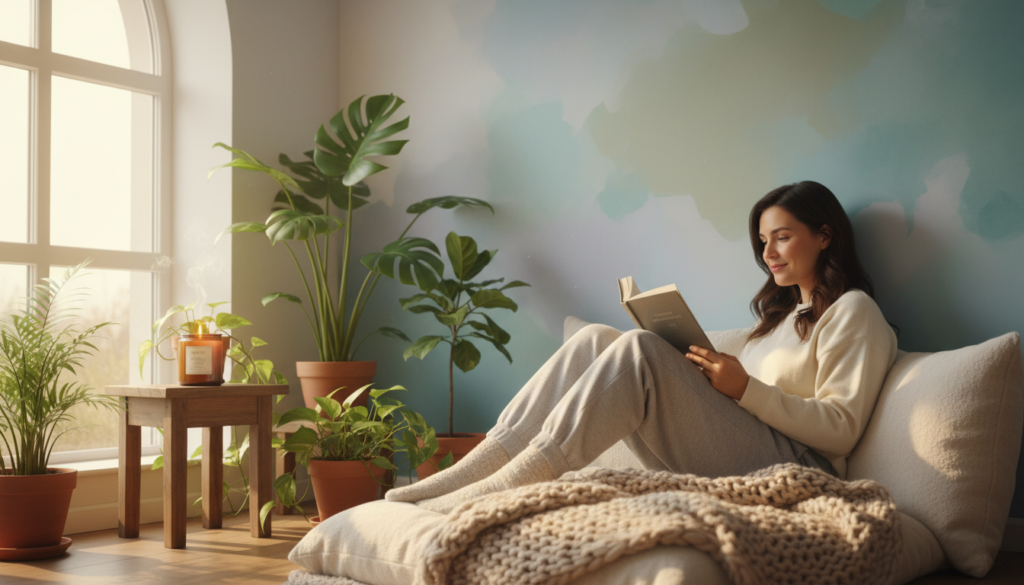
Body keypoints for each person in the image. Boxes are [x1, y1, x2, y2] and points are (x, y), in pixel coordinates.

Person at [386, 181, 898, 514]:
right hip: (748, 446)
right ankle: (458, 478)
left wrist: (745, 389)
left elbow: (843, 430)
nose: (767, 253)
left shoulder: (853, 311)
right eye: (763, 241)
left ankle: (505, 486)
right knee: (595, 339)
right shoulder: (780, 319)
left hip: (803, 473)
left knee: (639, 350)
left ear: (825, 236)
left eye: (782, 237)